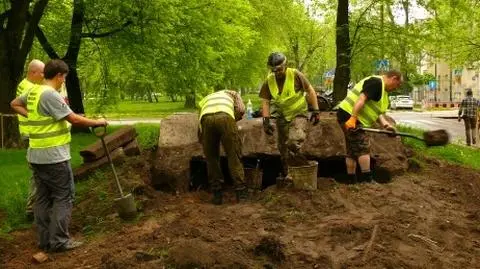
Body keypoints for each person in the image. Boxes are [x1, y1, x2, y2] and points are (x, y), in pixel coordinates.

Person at [10, 59, 107, 252]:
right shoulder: (50, 95)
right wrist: (97, 122)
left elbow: (14, 103)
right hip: (54, 156)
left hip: (35, 155)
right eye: (64, 78)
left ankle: (45, 240)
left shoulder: (34, 90)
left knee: (43, 198)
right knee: (64, 196)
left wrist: (36, 116)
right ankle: (60, 241)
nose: (64, 81)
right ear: (59, 76)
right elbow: (73, 118)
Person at [259, 52, 321, 178]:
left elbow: (310, 90)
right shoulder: (269, 81)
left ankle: (302, 164)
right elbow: (265, 102)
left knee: (293, 141)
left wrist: (316, 110)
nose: (277, 73)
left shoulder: (295, 74)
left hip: (299, 114)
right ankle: (289, 175)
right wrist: (266, 121)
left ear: (285, 65)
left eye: (279, 69)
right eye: (274, 70)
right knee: (283, 149)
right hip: (282, 117)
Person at [336, 70, 403, 184]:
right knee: (363, 147)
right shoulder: (376, 83)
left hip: (350, 116)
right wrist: (353, 118)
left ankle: (351, 180)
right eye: (397, 85)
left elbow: (377, 112)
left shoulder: (383, 92)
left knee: (352, 150)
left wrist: (386, 125)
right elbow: (361, 99)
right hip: (350, 115)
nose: (396, 88)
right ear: (394, 78)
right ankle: (368, 180)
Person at [198, 90, 247, 205]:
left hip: (206, 119)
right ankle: (241, 193)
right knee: (233, 155)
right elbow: (241, 110)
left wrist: (202, 139)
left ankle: (217, 194)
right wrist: (233, 121)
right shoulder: (233, 94)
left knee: (212, 159)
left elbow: (199, 119)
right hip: (225, 117)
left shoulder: (206, 98)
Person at [16, 59, 45, 220]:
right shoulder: (28, 87)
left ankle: (35, 207)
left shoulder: (30, 85)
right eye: (41, 72)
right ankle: (32, 208)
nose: (44, 75)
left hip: (33, 132)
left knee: (38, 171)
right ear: (33, 73)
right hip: (32, 134)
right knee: (37, 171)